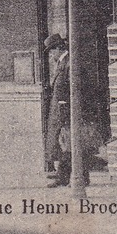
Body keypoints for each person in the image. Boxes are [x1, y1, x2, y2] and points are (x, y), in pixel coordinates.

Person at [42, 33, 71, 188]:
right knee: (63, 143)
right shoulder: (62, 63)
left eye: (52, 50)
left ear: (60, 48)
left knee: (67, 142)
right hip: (59, 109)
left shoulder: (68, 63)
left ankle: (63, 176)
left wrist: (65, 107)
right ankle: (75, 175)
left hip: (65, 110)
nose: (51, 54)